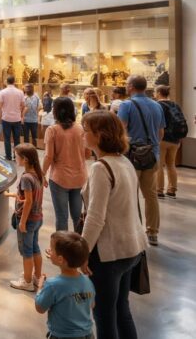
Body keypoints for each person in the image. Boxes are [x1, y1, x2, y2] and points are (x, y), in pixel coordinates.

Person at [80, 111, 147, 339]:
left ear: (99, 135)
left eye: (86, 131)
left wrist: (82, 253)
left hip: (109, 253)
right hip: (132, 247)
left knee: (104, 316)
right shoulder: (124, 161)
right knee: (121, 310)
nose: (82, 134)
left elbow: (95, 217)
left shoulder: (101, 168)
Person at [117, 75, 165, 246]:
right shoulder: (157, 106)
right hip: (152, 155)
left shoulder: (126, 105)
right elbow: (160, 134)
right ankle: (153, 232)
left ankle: (133, 230)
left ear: (130, 87)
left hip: (132, 156)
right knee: (151, 195)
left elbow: (120, 130)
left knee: (129, 194)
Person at [35, 231, 95, 339]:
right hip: (88, 335)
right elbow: (92, 304)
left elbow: (40, 308)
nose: (49, 250)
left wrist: (40, 287)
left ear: (60, 259)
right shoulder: (87, 282)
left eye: (51, 249)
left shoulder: (53, 285)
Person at [43, 97, 89, 232]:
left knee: (61, 217)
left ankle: (61, 248)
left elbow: (48, 156)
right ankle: (77, 247)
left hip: (59, 178)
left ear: (56, 111)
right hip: (80, 177)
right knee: (77, 217)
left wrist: (41, 173)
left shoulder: (52, 130)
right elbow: (87, 154)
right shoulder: (81, 128)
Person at [6, 143, 45, 292]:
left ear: (25, 159)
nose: (15, 159)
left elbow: (29, 201)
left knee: (27, 251)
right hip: (37, 218)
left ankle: (27, 281)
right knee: (35, 247)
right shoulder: (38, 174)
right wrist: (12, 195)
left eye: (17, 157)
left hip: (27, 220)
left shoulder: (26, 178)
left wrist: (22, 221)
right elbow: (31, 198)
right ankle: (36, 276)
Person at [155, 85, 187, 199]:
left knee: (159, 165)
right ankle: (172, 190)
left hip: (162, 139)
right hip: (175, 139)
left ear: (158, 93)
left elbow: (157, 123)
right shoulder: (175, 105)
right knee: (171, 164)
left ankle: (159, 190)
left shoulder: (158, 105)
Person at [0, 76, 25, 160]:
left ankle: (8, 156)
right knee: (17, 139)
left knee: (7, 139)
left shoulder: (2, 92)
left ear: (6, 82)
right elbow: (23, 105)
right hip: (17, 118)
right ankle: (16, 156)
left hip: (6, 118)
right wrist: (20, 114)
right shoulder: (20, 92)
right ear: (14, 81)